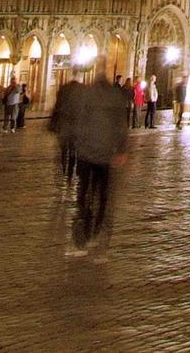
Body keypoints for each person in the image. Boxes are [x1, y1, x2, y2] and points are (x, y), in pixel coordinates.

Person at [65, 69, 129, 254]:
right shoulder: (115, 97)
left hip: (86, 154)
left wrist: (73, 143)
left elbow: (76, 121)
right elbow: (121, 126)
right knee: (102, 195)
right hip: (104, 156)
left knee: (84, 192)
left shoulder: (86, 95)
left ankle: (83, 227)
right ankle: (97, 230)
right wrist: (121, 149)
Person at [51, 75, 84, 182]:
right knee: (74, 149)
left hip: (65, 124)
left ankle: (65, 168)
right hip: (76, 125)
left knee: (65, 148)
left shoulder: (64, 89)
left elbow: (57, 107)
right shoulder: (82, 90)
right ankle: (72, 170)